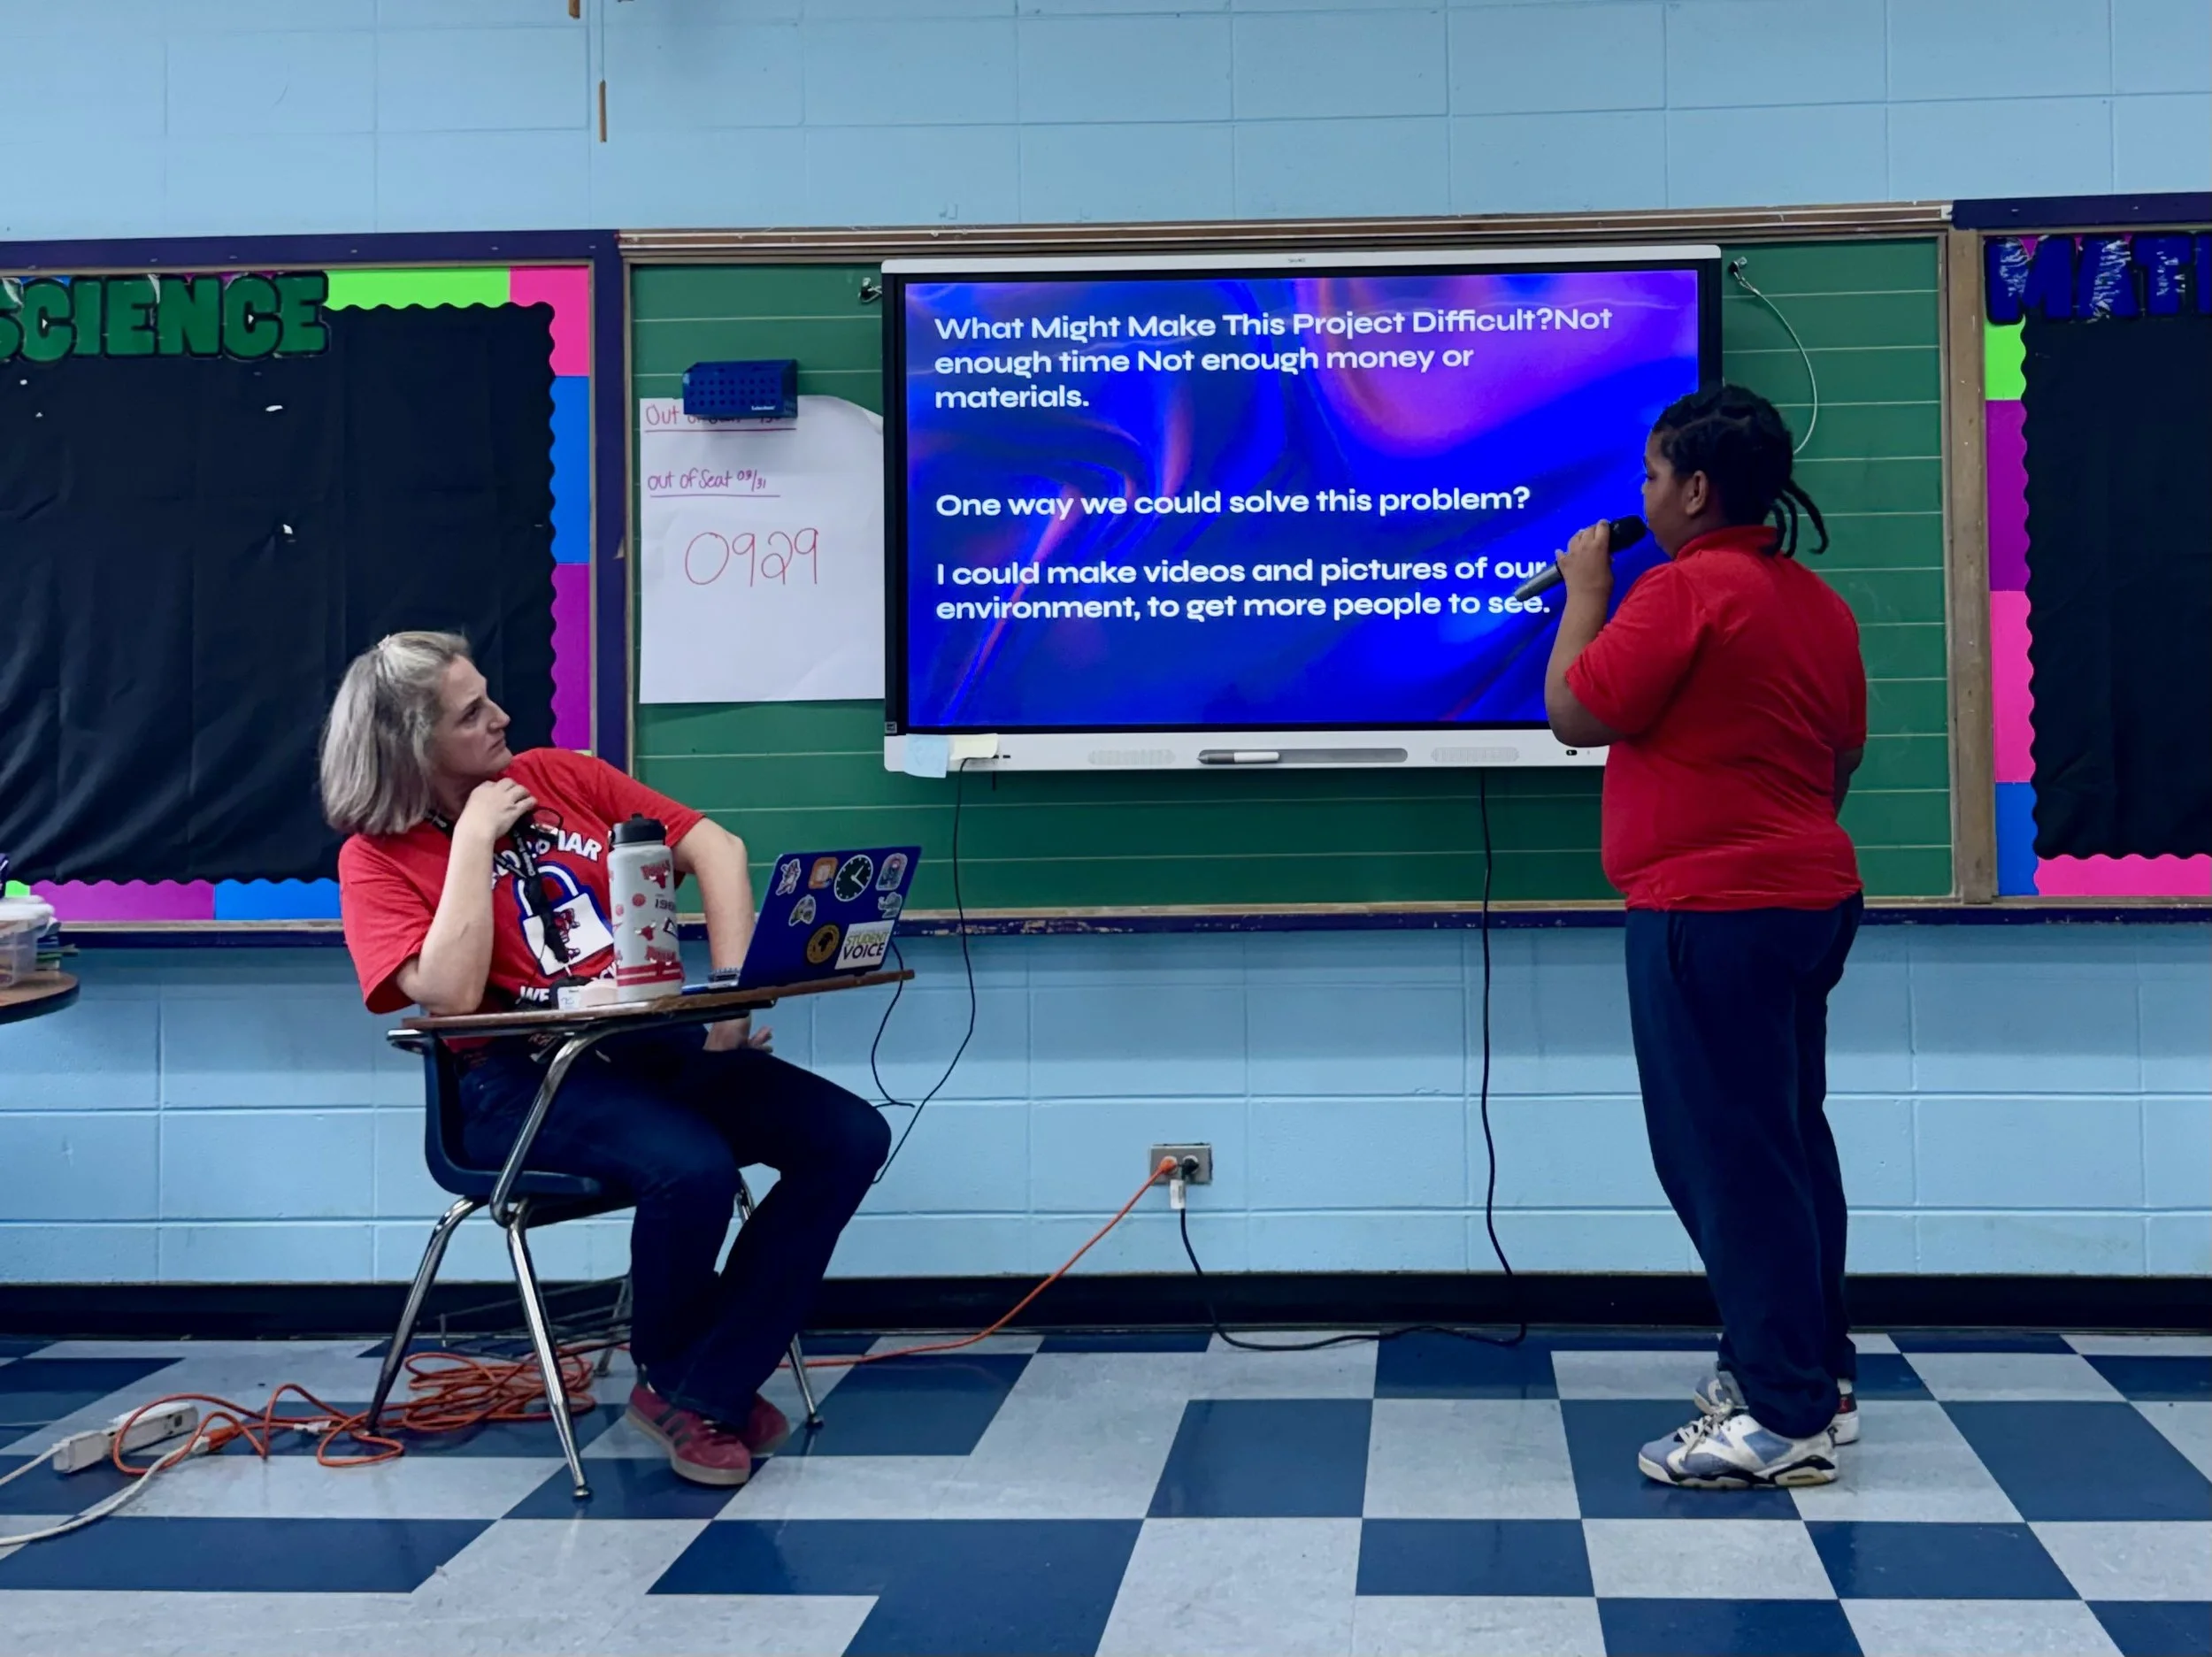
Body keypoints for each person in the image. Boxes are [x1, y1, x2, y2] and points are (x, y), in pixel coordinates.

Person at [319, 631, 890, 1489]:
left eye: (489, 695)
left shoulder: (559, 777)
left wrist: (731, 1005)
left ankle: (702, 1382)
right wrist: (472, 839)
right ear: (412, 745)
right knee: (691, 1166)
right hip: (514, 1083)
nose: (500, 716)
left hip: (645, 1045)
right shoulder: (373, 858)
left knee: (848, 1135)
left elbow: (716, 848)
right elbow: (450, 990)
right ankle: (690, 1386)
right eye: (471, 713)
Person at [1543, 385, 1867, 1491]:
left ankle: (1782, 1417)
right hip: (1807, 902)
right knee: (1785, 1141)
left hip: (1709, 914)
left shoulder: (1680, 591)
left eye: (1648, 475)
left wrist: (1586, 593)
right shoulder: (1813, 601)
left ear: (1691, 487)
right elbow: (1840, 756)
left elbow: (1576, 712)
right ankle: (1815, 1375)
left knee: (1727, 1158)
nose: (1639, 494)